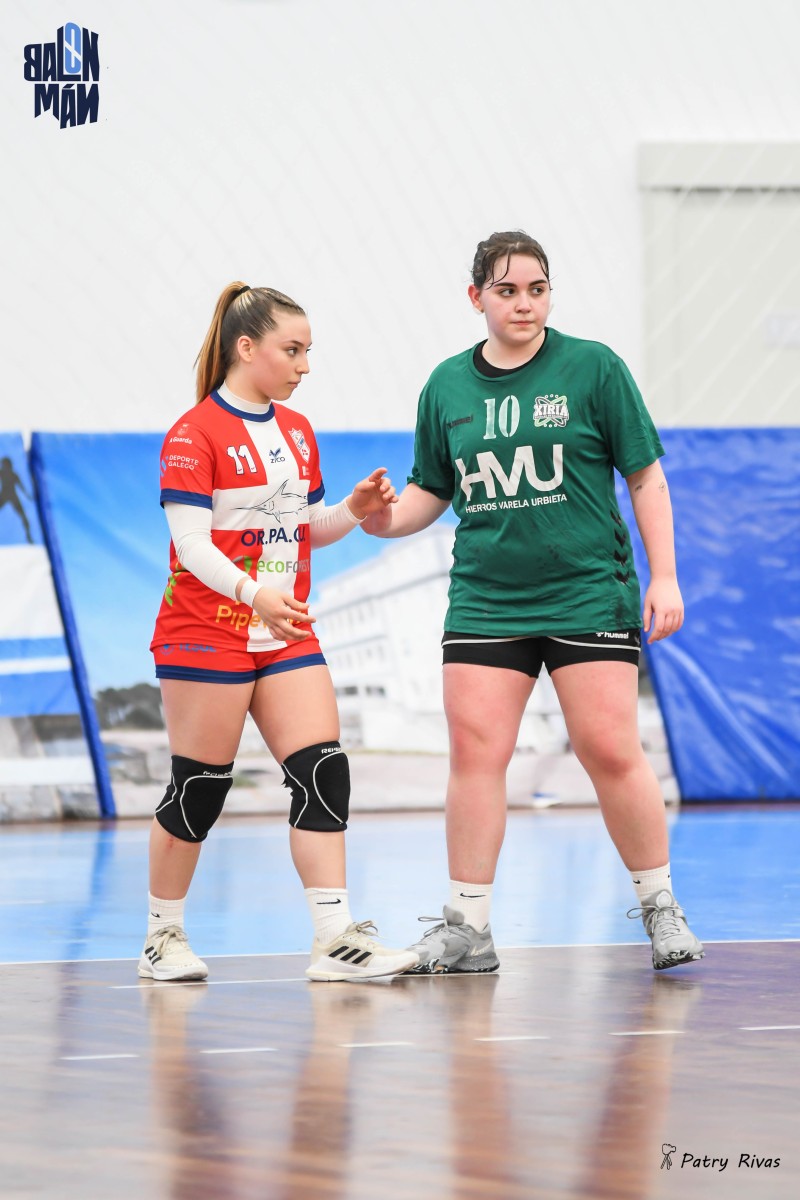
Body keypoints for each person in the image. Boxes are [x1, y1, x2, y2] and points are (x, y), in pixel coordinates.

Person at [363, 231, 704, 973]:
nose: (524, 303)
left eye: (537, 289)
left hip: (587, 591)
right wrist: (380, 519)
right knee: (475, 756)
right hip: (486, 601)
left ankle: (660, 905)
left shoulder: (593, 367)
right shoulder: (446, 386)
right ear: (476, 297)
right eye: (508, 290)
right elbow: (430, 491)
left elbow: (645, 476)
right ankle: (468, 927)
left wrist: (665, 576)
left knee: (609, 750)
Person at [141, 281, 418, 983]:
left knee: (323, 770)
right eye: (291, 350)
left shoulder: (296, 431)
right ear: (246, 348)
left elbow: (305, 529)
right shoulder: (193, 434)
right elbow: (192, 545)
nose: (304, 365)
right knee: (200, 789)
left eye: (307, 351)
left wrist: (353, 508)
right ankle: (162, 937)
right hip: (205, 631)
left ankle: (335, 940)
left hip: (283, 629)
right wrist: (253, 592)